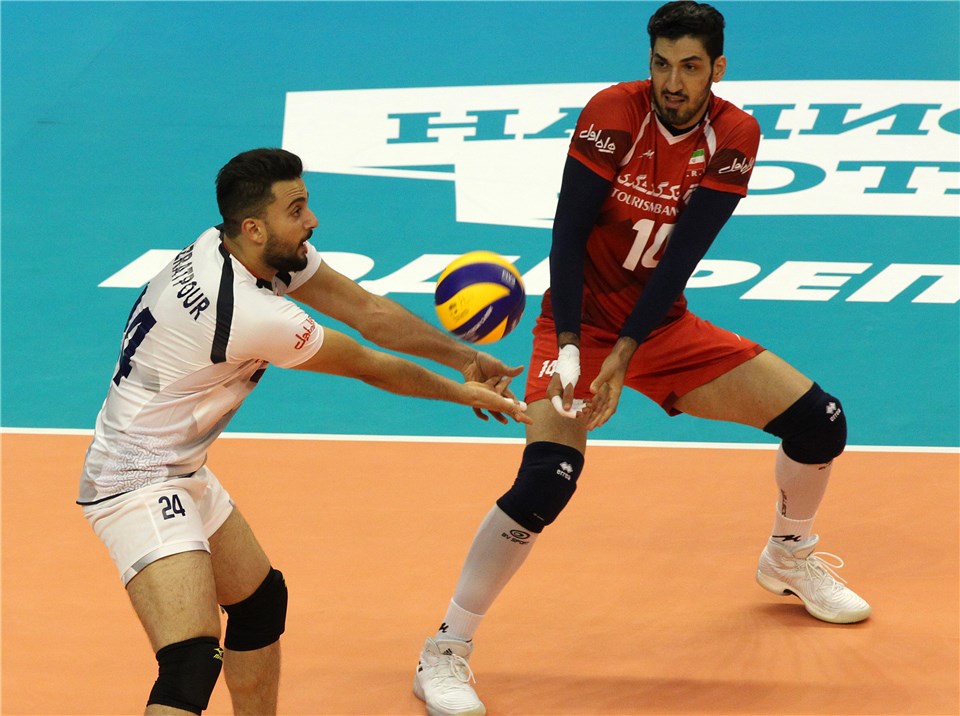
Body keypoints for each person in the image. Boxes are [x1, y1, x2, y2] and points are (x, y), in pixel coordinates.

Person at [412, 2, 871, 714]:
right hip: (576, 321)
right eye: (661, 64)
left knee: (821, 421)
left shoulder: (735, 135)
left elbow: (682, 255)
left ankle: (788, 554)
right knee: (546, 481)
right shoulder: (613, 114)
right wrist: (572, 344)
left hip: (659, 325)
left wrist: (626, 352)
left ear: (717, 69)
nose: (672, 82)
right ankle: (444, 650)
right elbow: (567, 233)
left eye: (690, 67)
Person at [77, 147, 530, 715]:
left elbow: (367, 311)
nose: (311, 220)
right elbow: (369, 365)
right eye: (296, 211)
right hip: (134, 478)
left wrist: (464, 358)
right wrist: (463, 394)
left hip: (178, 464)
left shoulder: (233, 247)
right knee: (190, 661)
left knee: (260, 604)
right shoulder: (248, 312)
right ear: (253, 227)